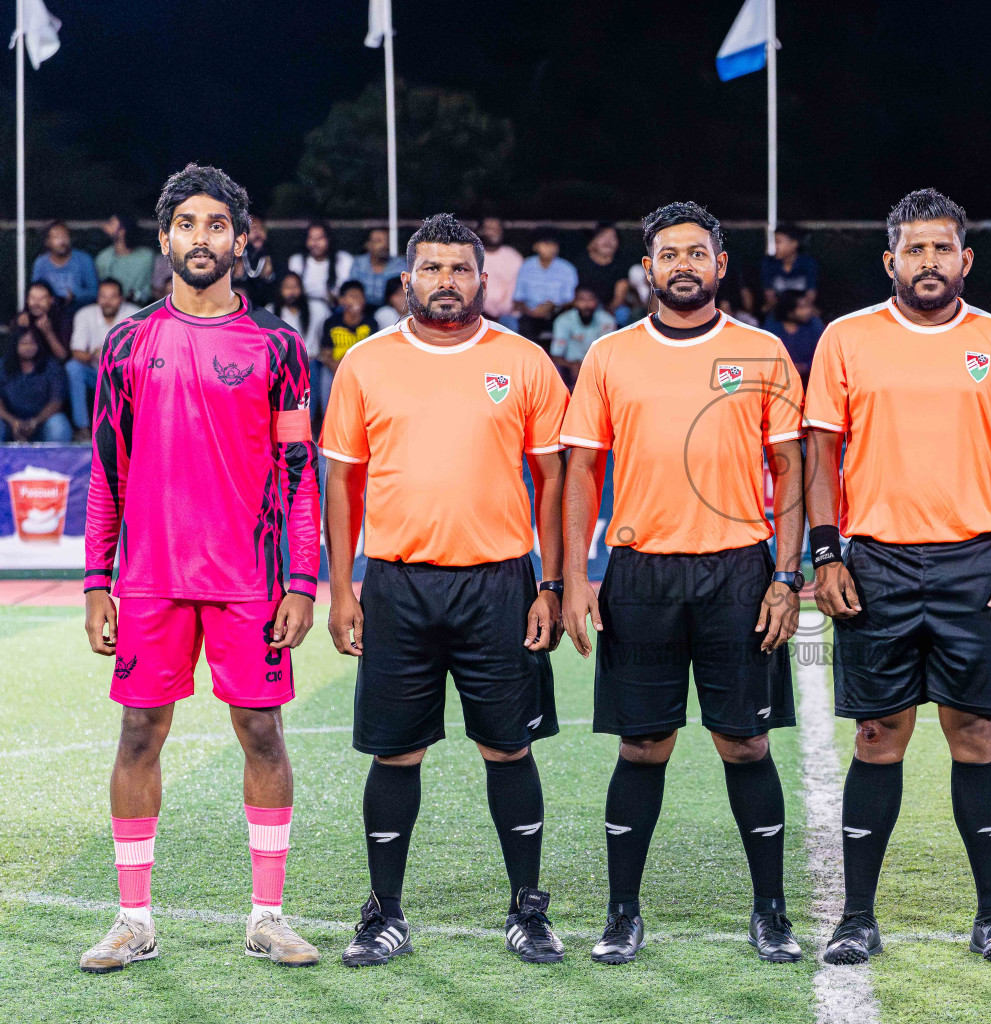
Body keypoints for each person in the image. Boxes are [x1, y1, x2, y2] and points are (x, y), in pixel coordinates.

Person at [77, 163, 321, 973]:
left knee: (262, 731)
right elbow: (107, 473)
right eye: (187, 223)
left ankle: (267, 915)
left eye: (218, 224)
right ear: (166, 237)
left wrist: (301, 580)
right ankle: (133, 921)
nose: (202, 237)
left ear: (242, 240)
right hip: (149, 579)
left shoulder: (279, 347)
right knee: (140, 733)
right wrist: (95, 584)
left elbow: (296, 475)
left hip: (249, 582)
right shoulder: (126, 344)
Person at [805, 189, 991, 966]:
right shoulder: (846, 340)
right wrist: (825, 552)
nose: (928, 262)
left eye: (941, 249)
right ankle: (855, 916)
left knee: (974, 734)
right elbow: (820, 453)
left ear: (965, 260)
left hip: (975, 562)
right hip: (873, 561)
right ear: (890, 260)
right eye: (913, 249)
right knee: (879, 735)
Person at [321, 213, 570, 967]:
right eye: (431, 269)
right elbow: (341, 481)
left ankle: (527, 908)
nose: (446, 282)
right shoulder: (366, 363)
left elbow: (553, 479)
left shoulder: (524, 361)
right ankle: (384, 912)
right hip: (398, 585)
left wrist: (550, 585)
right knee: (396, 755)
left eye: (460, 269)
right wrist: (343, 587)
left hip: (500, 583)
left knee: (508, 748)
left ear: (482, 280)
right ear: (407, 281)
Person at [561, 201, 806, 966]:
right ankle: (622, 914)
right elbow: (582, 472)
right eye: (669, 254)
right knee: (643, 748)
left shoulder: (764, 351)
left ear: (721, 264)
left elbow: (793, 468)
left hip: (740, 568)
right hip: (641, 574)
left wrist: (787, 575)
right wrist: (576, 576)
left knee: (746, 742)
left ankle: (771, 913)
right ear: (648, 267)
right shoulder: (609, 356)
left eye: (697, 253)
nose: (683, 265)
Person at [69, 279, 141, 439]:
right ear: (97, 298)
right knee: (73, 368)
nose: (107, 302)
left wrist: (116, 356)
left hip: (125, 375)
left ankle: (133, 432)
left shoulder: (135, 314)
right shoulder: (85, 314)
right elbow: (76, 352)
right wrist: (95, 355)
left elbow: (144, 354)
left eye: (113, 297)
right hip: (95, 372)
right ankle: (83, 429)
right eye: (103, 296)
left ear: (122, 298)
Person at [314, 281, 374, 435]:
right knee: (325, 376)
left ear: (364, 300)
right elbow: (325, 353)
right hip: (335, 369)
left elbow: (374, 356)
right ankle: (329, 427)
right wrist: (340, 370)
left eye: (358, 297)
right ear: (341, 301)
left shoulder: (371, 323)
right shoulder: (332, 322)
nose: (355, 300)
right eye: (350, 296)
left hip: (362, 372)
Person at [0, 329, 72, 442]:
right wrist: (14, 422)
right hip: (9, 424)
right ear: (15, 345)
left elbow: (56, 401)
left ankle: (56, 459)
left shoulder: (51, 366)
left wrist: (35, 422)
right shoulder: (2, 366)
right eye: (24, 343)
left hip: (42, 424)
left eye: (32, 343)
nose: (28, 347)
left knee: (58, 425)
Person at [513, 228, 578, 349]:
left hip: (557, 312)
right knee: (524, 326)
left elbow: (571, 300)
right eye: (546, 244)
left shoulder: (567, 268)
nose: (550, 248)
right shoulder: (526, 266)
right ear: (536, 246)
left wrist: (551, 306)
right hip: (530, 312)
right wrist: (530, 311)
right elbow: (518, 298)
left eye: (554, 244)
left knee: (565, 321)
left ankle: (558, 362)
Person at [549, 284, 616, 388]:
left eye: (590, 300)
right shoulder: (563, 321)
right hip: (570, 369)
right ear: (574, 301)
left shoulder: (607, 320)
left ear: (596, 302)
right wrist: (572, 365)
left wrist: (589, 367)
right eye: (582, 300)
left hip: (598, 368)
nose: (586, 305)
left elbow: (609, 355)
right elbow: (555, 356)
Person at [269, 271, 329, 375]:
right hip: (283, 367)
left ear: (301, 288)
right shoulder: (270, 311)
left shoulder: (318, 308)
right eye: (287, 287)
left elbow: (332, 330)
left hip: (312, 364)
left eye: (295, 287)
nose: (291, 291)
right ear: (280, 290)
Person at [32, 221, 99, 312]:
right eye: (56, 237)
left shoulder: (84, 259)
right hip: (50, 312)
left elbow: (95, 292)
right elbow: (35, 292)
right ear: (47, 242)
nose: (62, 241)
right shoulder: (41, 263)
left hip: (79, 311)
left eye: (64, 236)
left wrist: (76, 294)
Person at [288, 220, 353, 308]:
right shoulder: (296, 261)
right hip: (304, 308)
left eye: (320, 238)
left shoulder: (344, 259)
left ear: (329, 239)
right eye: (311, 238)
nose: (315, 243)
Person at [763, 290, 824, 385]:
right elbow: (765, 356)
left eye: (808, 306)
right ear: (789, 311)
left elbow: (823, 355)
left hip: (810, 381)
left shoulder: (815, 325)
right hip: (778, 382)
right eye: (802, 307)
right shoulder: (772, 326)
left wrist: (806, 367)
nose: (808, 311)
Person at [572, 222, 631, 317]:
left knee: (623, 313)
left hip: (609, 309)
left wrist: (606, 312)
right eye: (602, 236)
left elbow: (619, 297)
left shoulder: (621, 265)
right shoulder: (580, 263)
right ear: (593, 241)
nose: (607, 241)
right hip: (582, 307)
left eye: (612, 237)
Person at [95, 215, 156, 306]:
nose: (105, 226)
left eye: (111, 223)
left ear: (122, 230)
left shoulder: (146, 257)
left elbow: (148, 290)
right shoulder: (103, 258)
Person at [759, 224, 819, 315]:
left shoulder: (808, 263)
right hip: (777, 311)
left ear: (794, 244)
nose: (776, 246)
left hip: (803, 311)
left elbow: (810, 296)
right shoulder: (769, 263)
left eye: (778, 242)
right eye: (774, 242)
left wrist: (796, 309)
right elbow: (769, 298)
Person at [478, 216, 524, 326]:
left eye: (497, 229)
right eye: (490, 228)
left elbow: (517, 289)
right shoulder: (471, 255)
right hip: (478, 313)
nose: (494, 232)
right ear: (480, 231)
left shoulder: (513, 256)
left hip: (508, 314)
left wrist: (503, 308)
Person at [12, 280, 71, 363]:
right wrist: (21, 329)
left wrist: (48, 333)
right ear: (27, 300)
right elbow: (11, 355)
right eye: (33, 298)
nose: (36, 303)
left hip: (51, 367)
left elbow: (63, 356)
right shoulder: (21, 318)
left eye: (42, 298)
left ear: (51, 300)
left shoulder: (63, 318)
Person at [352, 228, 407, 307]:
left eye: (387, 241)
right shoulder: (359, 264)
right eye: (378, 241)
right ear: (368, 245)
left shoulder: (399, 265)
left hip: (390, 310)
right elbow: (353, 290)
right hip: (363, 310)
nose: (384, 245)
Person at [236, 216, 279, 310]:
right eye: (253, 229)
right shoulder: (239, 256)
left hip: (268, 304)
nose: (257, 232)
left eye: (260, 228)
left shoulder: (273, 254)